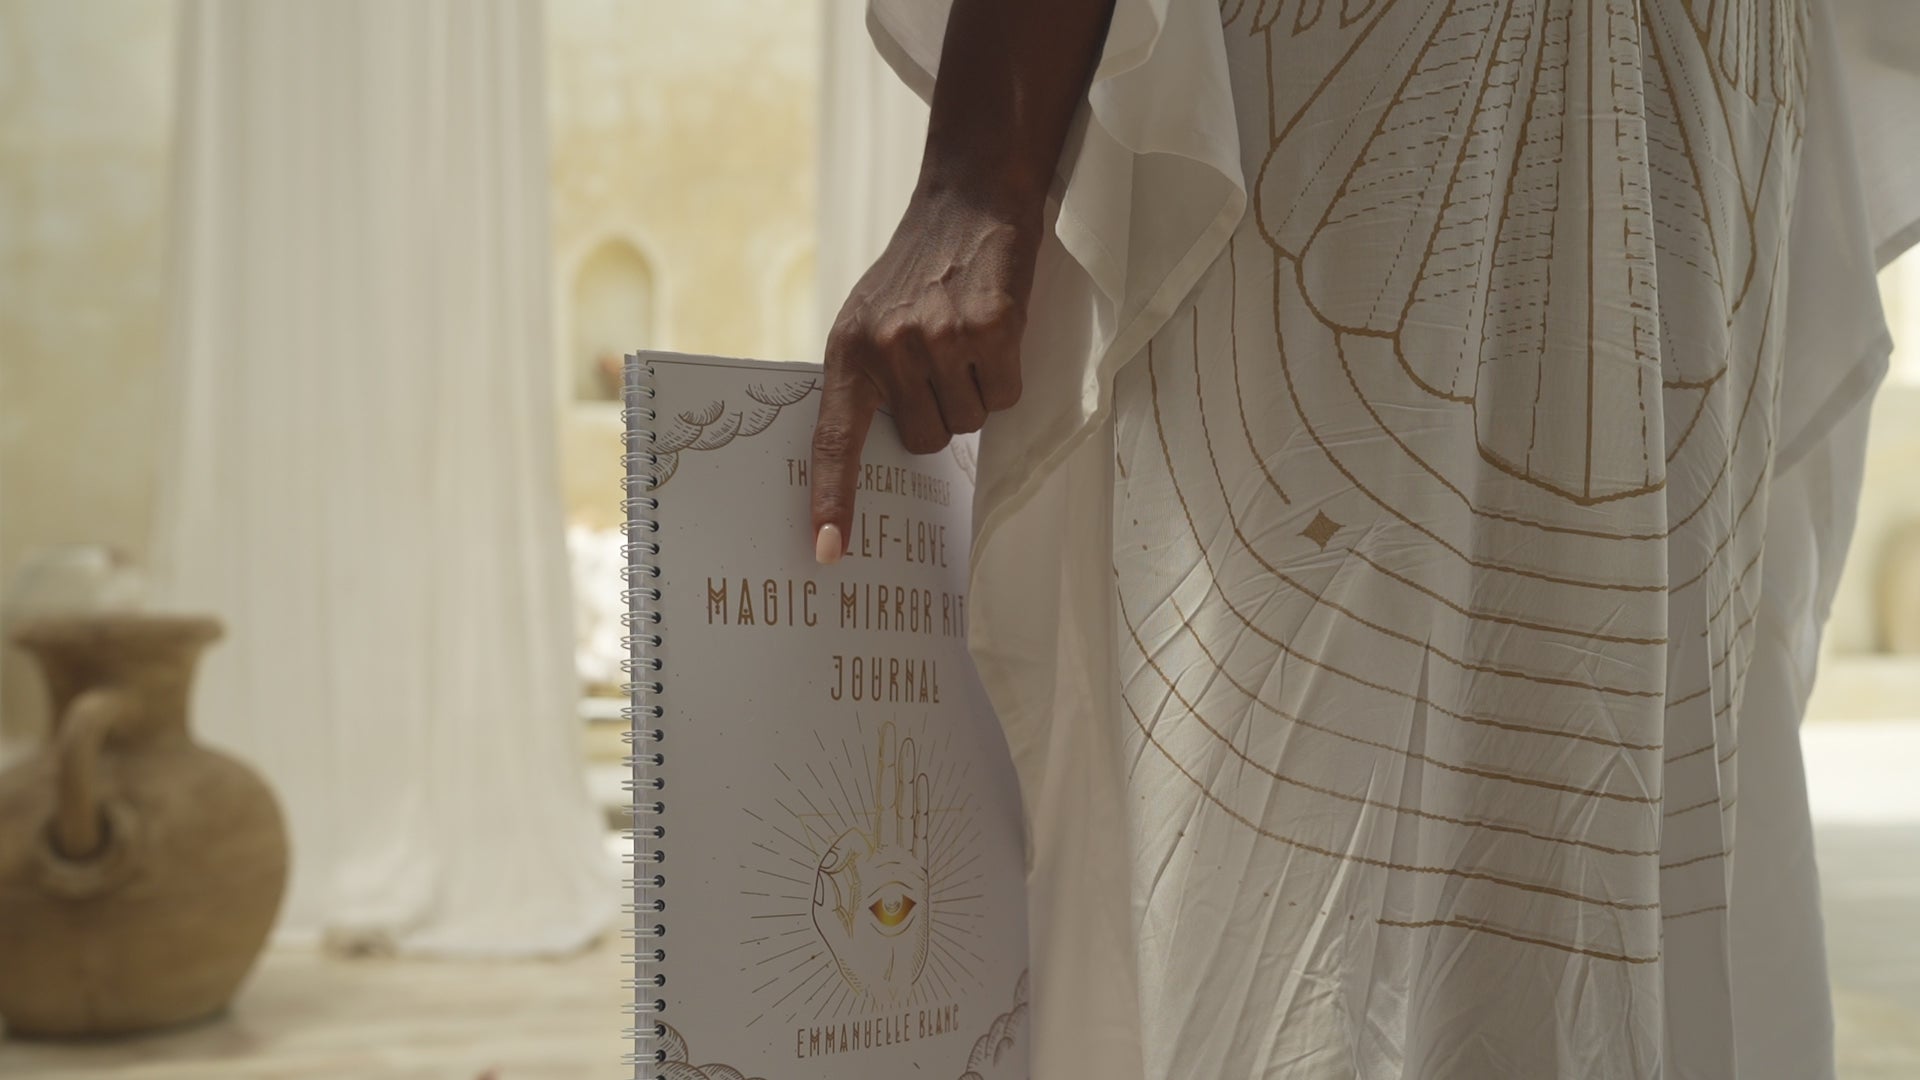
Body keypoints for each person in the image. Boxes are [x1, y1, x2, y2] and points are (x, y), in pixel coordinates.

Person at [807, 1, 1918, 1077]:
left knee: (1589, 812)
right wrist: (977, 165)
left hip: (1672, 89)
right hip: (1377, 96)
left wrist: (980, 163)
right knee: (1293, 815)